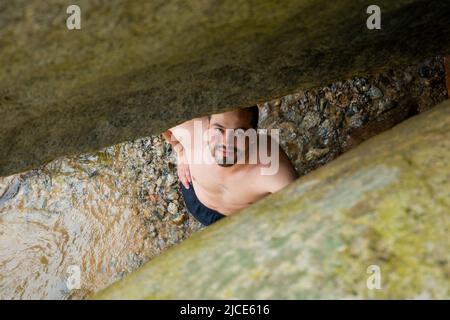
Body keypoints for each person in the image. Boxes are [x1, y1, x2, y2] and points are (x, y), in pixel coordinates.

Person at [162, 106, 298, 226]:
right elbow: (161, 120)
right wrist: (181, 154)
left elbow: (301, 209)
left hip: (241, 220)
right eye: (219, 129)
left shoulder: (271, 168)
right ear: (207, 127)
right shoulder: (192, 132)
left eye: (239, 132)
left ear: (253, 134)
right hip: (198, 201)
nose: (227, 142)